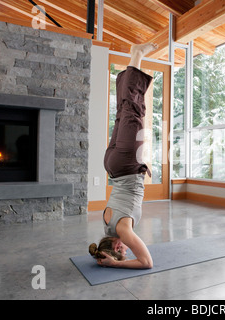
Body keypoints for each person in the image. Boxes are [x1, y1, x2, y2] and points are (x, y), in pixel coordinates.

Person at [88, 43, 158, 269]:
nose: (128, 249)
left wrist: (113, 264)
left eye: (123, 251)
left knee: (133, 111)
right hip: (112, 166)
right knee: (122, 112)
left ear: (117, 248)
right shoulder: (107, 225)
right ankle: (130, 66)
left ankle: (136, 54)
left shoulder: (123, 231)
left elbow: (146, 263)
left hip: (127, 165)